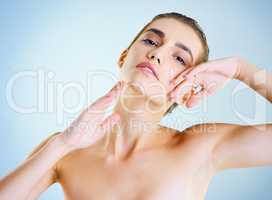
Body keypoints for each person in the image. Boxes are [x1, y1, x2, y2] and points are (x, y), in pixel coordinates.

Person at [0, 12, 271, 200]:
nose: (156, 54)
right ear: (123, 57)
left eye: (179, 58)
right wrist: (61, 145)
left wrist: (241, 69)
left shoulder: (202, 147)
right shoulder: (64, 150)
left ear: (190, 84)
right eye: (151, 41)